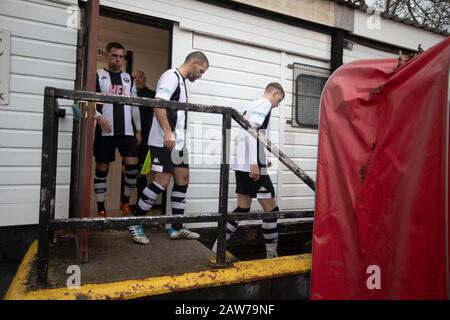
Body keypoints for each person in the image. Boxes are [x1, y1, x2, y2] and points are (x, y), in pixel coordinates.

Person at [128, 51, 209, 244]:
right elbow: (159, 104)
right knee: (161, 182)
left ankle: (176, 227)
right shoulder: (171, 76)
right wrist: (167, 132)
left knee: (182, 179)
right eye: (201, 70)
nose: (200, 75)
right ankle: (135, 222)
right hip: (164, 141)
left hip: (178, 142)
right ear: (193, 62)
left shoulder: (182, 82)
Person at [211, 82, 285, 259]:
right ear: (274, 93)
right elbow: (252, 131)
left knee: (242, 208)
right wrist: (254, 163)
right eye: (279, 100)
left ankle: (216, 246)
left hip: (241, 165)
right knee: (272, 211)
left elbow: (243, 135)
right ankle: (271, 255)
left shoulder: (250, 105)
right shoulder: (265, 104)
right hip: (251, 167)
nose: (277, 105)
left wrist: (260, 158)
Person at [93, 42, 142, 225]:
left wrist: (138, 129)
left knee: (133, 167)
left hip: (127, 132)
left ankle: (125, 202)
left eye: (121, 57)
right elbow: (88, 99)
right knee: (102, 169)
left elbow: (135, 104)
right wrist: (98, 116)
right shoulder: (98, 74)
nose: (118, 59)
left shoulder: (129, 78)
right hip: (105, 131)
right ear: (107, 55)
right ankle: (101, 209)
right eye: (114, 56)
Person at [132, 70, 156, 202]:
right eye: (134, 77)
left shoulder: (152, 95)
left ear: (144, 78)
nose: (137, 79)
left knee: (143, 172)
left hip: (148, 138)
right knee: (130, 171)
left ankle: (140, 205)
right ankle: (130, 204)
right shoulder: (129, 94)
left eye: (140, 77)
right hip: (131, 137)